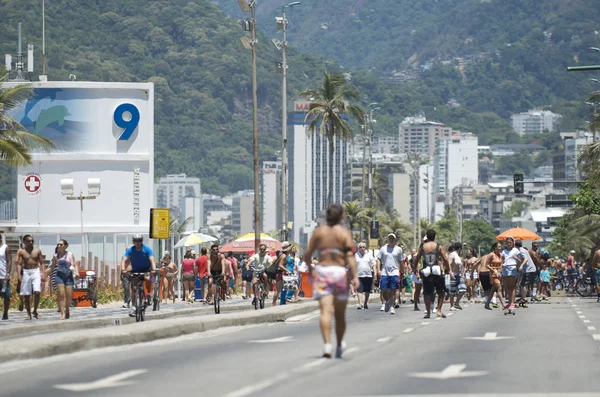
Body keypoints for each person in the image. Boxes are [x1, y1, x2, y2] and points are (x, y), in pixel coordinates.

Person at [303, 203, 358, 358]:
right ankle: (339, 345)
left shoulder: (319, 232)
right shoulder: (344, 233)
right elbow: (349, 256)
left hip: (323, 272)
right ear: (341, 216)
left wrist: (309, 267)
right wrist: (355, 276)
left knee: (325, 312)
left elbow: (307, 254)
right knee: (340, 314)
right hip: (339, 272)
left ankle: (327, 345)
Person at [412, 229, 449, 319]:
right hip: (437, 272)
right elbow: (445, 258)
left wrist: (415, 269)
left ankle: (428, 312)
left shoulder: (423, 247)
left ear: (427, 237)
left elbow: (417, 259)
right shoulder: (438, 246)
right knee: (441, 292)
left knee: (427, 293)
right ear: (434, 236)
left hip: (427, 272)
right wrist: (448, 269)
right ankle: (439, 310)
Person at [120, 234, 157, 317]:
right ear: (133, 241)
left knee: (147, 279)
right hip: (135, 269)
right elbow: (124, 259)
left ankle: (148, 295)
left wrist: (154, 269)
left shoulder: (147, 249)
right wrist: (123, 270)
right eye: (136, 241)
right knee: (133, 288)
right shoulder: (131, 250)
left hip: (146, 269)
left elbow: (152, 259)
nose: (137, 242)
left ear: (142, 241)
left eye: (139, 240)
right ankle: (133, 307)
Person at [16, 235, 45, 320]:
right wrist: (19, 275)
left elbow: (42, 262)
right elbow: (20, 264)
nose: (31, 242)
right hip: (26, 272)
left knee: (37, 291)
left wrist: (43, 273)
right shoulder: (22, 252)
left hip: (35, 271)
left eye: (32, 241)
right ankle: (29, 314)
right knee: (27, 294)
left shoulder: (37, 251)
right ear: (24, 242)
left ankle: (35, 310)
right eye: (29, 241)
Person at [49, 240, 78, 320]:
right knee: (61, 294)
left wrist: (77, 273)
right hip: (59, 276)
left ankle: (67, 309)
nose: (59, 246)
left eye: (61, 244)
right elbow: (52, 266)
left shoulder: (70, 254)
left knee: (69, 295)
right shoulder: (55, 256)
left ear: (65, 246)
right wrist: (46, 273)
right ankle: (62, 313)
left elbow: (75, 264)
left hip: (68, 276)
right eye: (58, 244)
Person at [377, 233, 404, 315]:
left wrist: (402, 272)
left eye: (392, 238)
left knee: (393, 290)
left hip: (395, 271)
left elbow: (401, 261)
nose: (391, 240)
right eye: (390, 238)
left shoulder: (398, 249)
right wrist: (378, 270)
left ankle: (392, 307)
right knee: (383, 289)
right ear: (388, 239)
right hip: (385, 271)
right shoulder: (383, 249)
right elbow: (378, 259)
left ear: (395, 240)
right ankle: (388, 301)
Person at [485, 242, 507, 310]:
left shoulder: (500, 255)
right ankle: (503, 304)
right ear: (495, 248)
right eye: (499, 247)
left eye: (501, 247)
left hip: (500, 273)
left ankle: (487, 304)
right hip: (493, 273)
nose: (500, 248)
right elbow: (487, 265)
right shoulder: (491, 255)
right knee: (499, 288)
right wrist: (493, 270)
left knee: (493, 289)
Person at [355, 242, 377, 309]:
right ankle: (360, 304)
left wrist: (375, 273)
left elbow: (373, 264)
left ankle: (365, 303)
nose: (362, 248)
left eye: (363, 247)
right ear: (358, 248)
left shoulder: (369, 255)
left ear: (365, 248)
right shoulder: (355, 255)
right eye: (360, 247)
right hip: (358, 275)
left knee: (367, 291)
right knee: (359, 290)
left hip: (368, 275)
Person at [501, 237, 521, 311]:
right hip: (505, 268)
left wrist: (515, 258)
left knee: (512, 286)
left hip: (512, 268)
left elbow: (519, 261)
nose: (509, 244)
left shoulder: (516, 250)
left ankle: (512, 302)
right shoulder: (504, 251)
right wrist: (501, 268)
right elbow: (502, 261)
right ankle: (509, 302)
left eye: (510, 242)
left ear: (513, 243)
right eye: (507, 242)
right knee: (507, 286)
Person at [516, 240, 536, 306]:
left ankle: (523, 298)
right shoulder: (523, 250)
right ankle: (523, 297)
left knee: (523, 284)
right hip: (529, 269)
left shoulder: (521, 251)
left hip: (528, 270)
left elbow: (526, 259)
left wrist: (521, 265)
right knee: (522, 284)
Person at [448, 242, 466, 310]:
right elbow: (449, 264)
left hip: (459, 275)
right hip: (453, 274)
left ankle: (456, 303)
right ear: (459, 249)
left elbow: (460, 266)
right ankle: (451, 305)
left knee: (463, 289)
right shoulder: (452, 255)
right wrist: (451, 272)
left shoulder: (457, 256)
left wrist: (462, 273)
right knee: (452, 291)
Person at [0, 237, 12, 320]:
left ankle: (5, 313)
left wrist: (7, 274)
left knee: (6, 295)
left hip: (3, 275)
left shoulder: (5, 248)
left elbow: (9, 261)